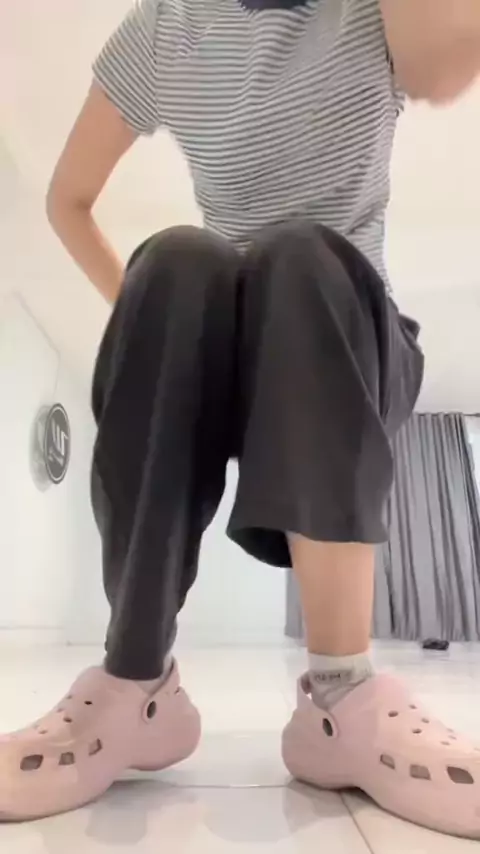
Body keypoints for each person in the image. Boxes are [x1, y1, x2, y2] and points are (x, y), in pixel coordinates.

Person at [1, 0, 480, 836]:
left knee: (298, 254)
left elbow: (449, 63)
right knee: (176, 260)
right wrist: (148, 329)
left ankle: (341, 696)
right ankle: (137, 686)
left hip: (347, 338)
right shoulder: (165, 27)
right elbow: (67, 199)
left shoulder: (364, 9)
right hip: (227, 351)